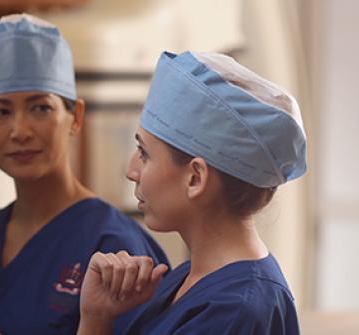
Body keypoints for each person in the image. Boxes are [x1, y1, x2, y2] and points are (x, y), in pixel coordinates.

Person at [0, 14, 170, 335]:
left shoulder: (118, 251)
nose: (20, 131)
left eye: (40, 108)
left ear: (75, 117)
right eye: (0, 112)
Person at [77, 51, 306, 334]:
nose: (131, 170)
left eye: (144, 154)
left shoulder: (234, 312)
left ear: (195, 178)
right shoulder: (188, 280)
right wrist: (97, 317)